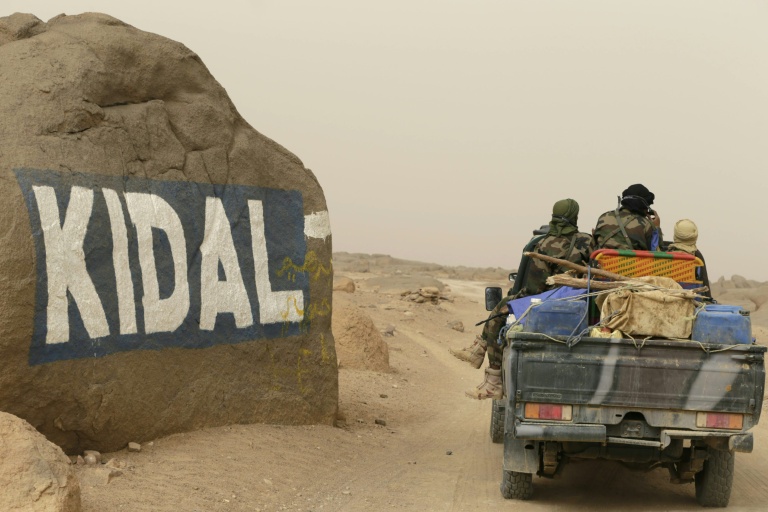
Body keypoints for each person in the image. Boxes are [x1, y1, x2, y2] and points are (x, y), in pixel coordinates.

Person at [452, 198, 595, 400]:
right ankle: (477, 351)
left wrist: (516, 297)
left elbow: (533, 288)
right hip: (582, 303)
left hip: (550, 303)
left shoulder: (544, 244)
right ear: (575, 216)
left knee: (499, 311)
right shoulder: (589, 242)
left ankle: (491, 379)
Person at [593, 184, 662, 251]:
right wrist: (656, 228)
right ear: (644, 205)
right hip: (632, 263)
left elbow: (592, 247)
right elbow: (657, 253)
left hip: (602, 261)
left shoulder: (604, 217)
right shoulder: (647, 224)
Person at [664, 219, 712, 298]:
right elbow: (705, 289)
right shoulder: (697, 259)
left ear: (676, 235)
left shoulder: (664, 256)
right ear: (694, 237)